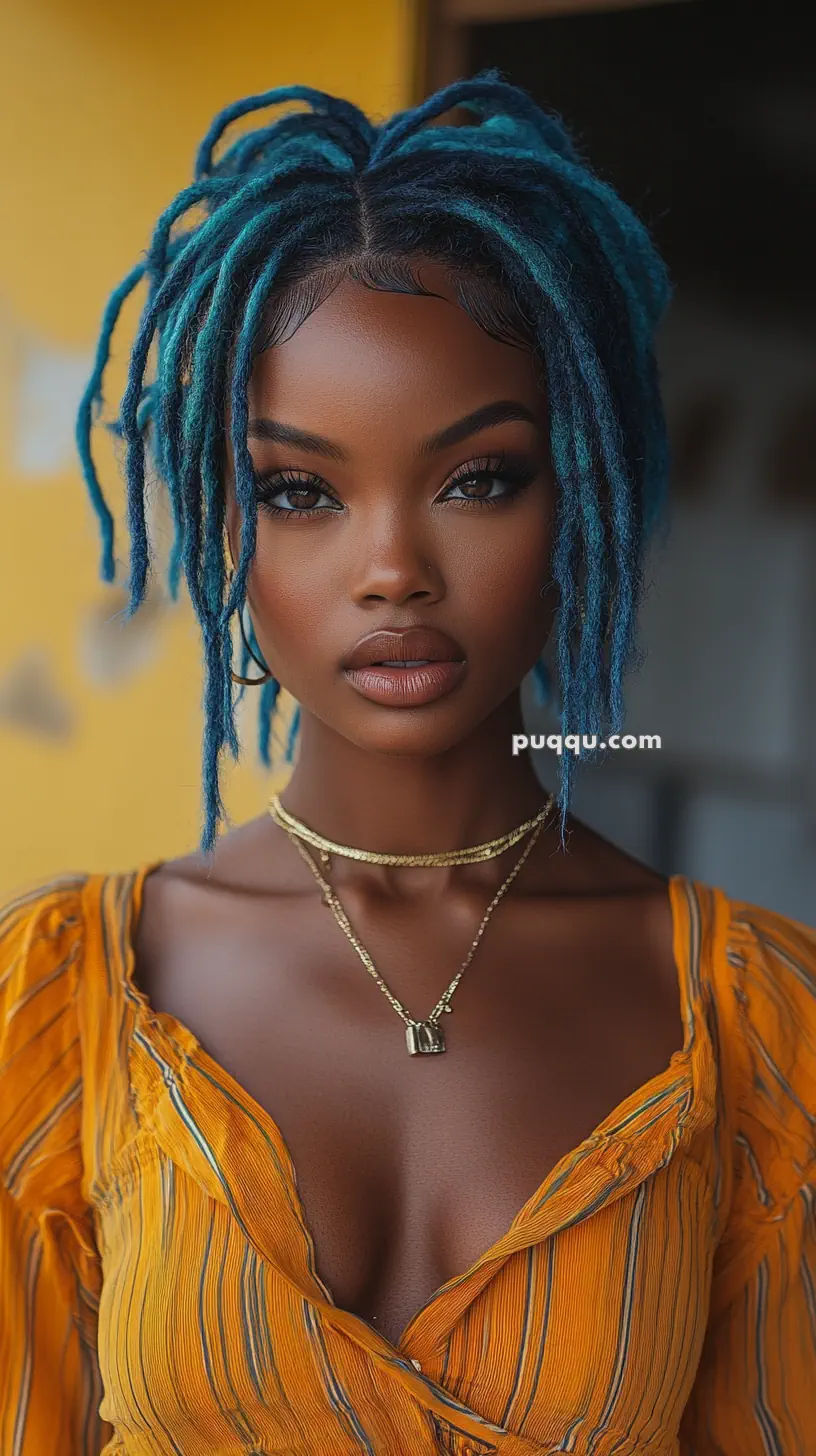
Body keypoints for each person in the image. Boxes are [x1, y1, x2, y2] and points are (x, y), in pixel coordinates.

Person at [1, 71, 814, 1456]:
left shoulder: (758, 1025)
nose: (391, 571)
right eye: (298, 490)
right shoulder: (63, 999)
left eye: (478, 478)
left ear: (590, 495)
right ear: (224, 525)